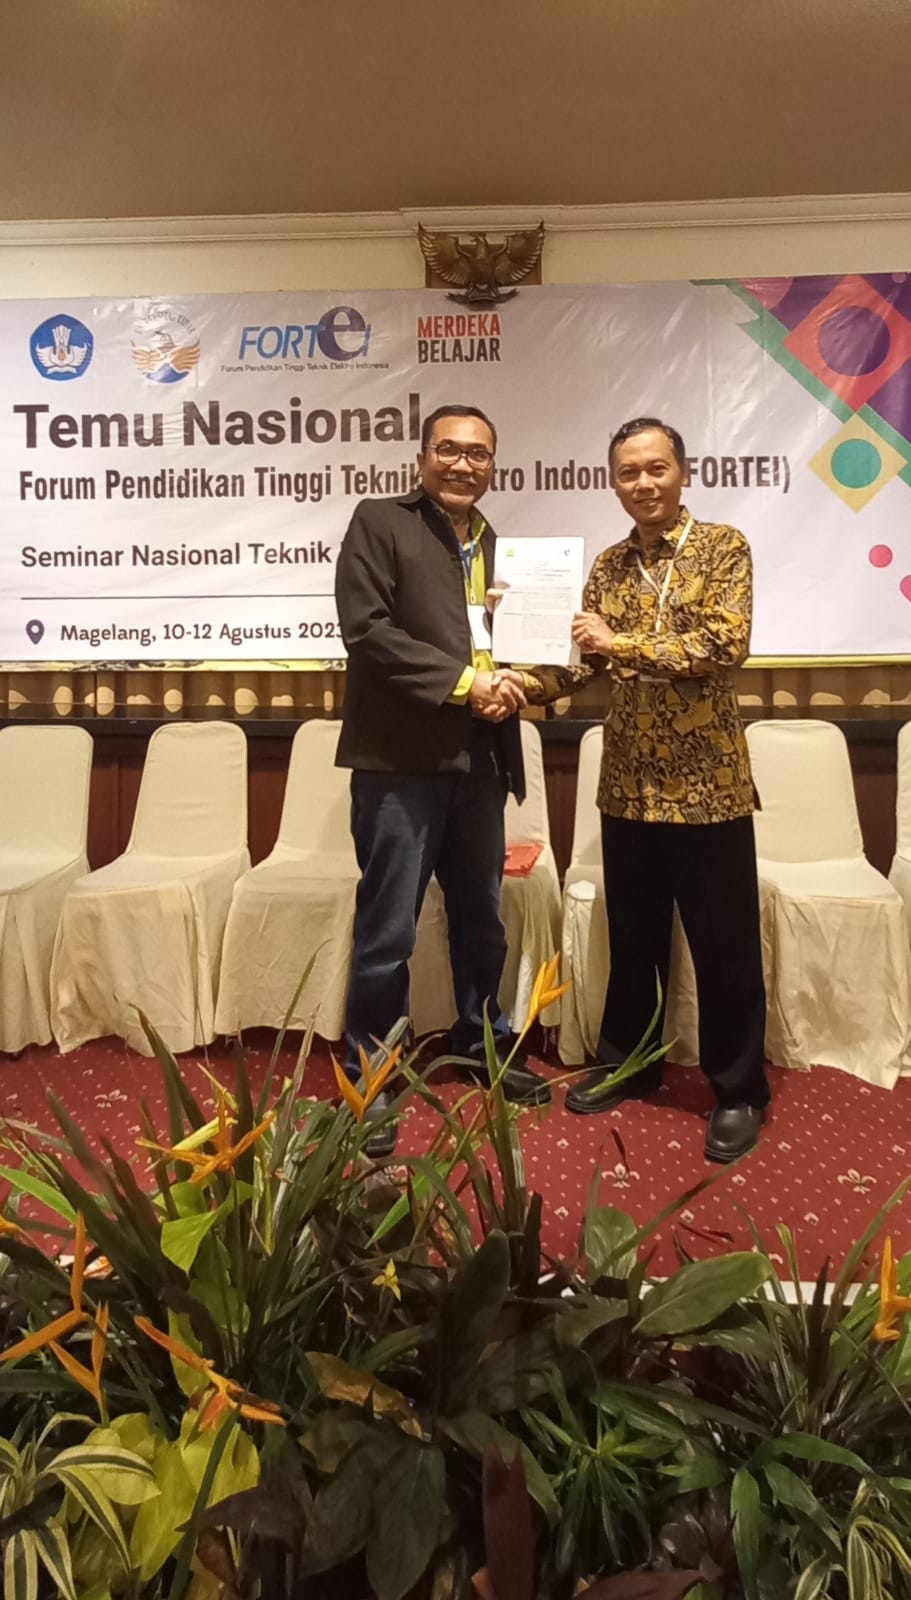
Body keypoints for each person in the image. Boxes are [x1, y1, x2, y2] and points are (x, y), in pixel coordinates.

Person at [521, 417, 770, 1162]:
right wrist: (518, 672)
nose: (643, 483)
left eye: (656, 468)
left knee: (724, 946)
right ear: (614, 482)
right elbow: (582, 664)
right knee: (631, 940)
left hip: (707, 784)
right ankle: (632, 1064)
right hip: (628, 783)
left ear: (683, 473)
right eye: (628, 472)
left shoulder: (722, 547)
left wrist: (619, 641)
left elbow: (722, 645)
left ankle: (738, 1091)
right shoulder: (608, 566)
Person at [335, 402, 553, 1156]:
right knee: (387, 931)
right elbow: (367, 631)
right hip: (401, 764)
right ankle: (370, 1078)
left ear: (493, 464)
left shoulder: (491, 541)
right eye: (450, 450)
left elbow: (489, 640)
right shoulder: (380, 522)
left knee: (481, 920)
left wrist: (514, 676)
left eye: (479, 454)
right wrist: (466, 683)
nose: (464, 464)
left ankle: (481, 1040)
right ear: (423, 456)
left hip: (480, 759)